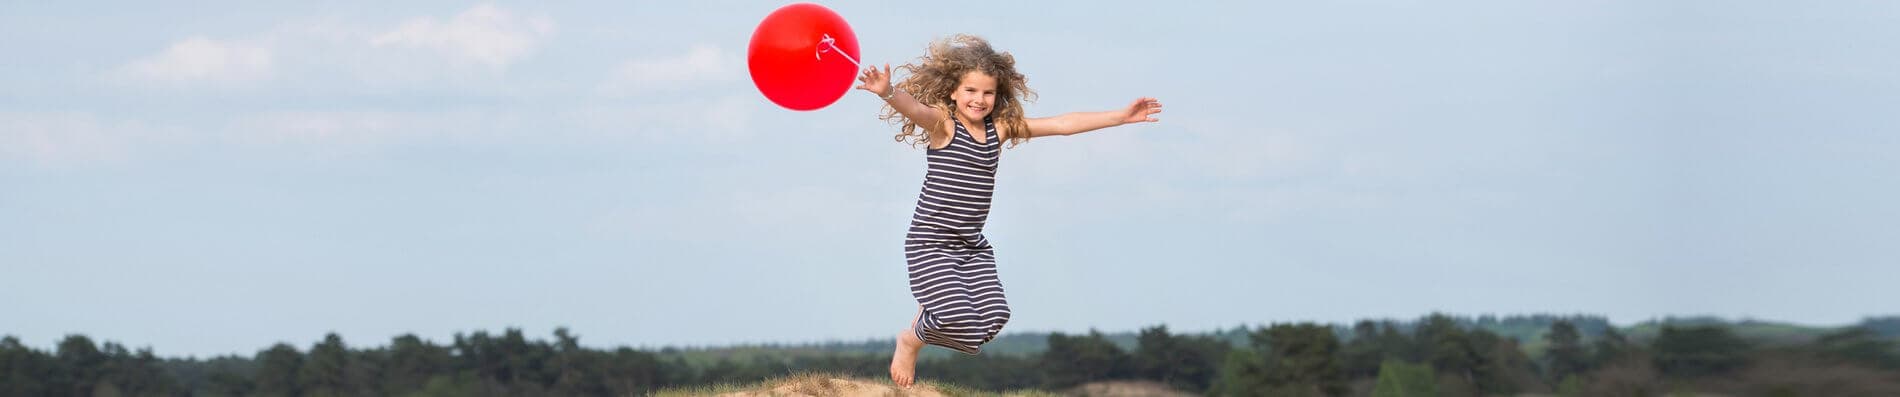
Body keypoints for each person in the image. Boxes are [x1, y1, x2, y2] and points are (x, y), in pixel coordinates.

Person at [854, 34, 1163, 388]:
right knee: (955, 318)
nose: (979, 99)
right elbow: (915, 110)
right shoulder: (945, 126)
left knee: (992, 320)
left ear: (997, 95)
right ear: (953, 92)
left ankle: (930, 316)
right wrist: (888, 92)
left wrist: (1120, 117)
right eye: (970, 90)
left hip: (972, 247)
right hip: (931, 244)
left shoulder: (999, 130)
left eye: (988, 92)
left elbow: (1062, 125)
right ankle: (911, 341)